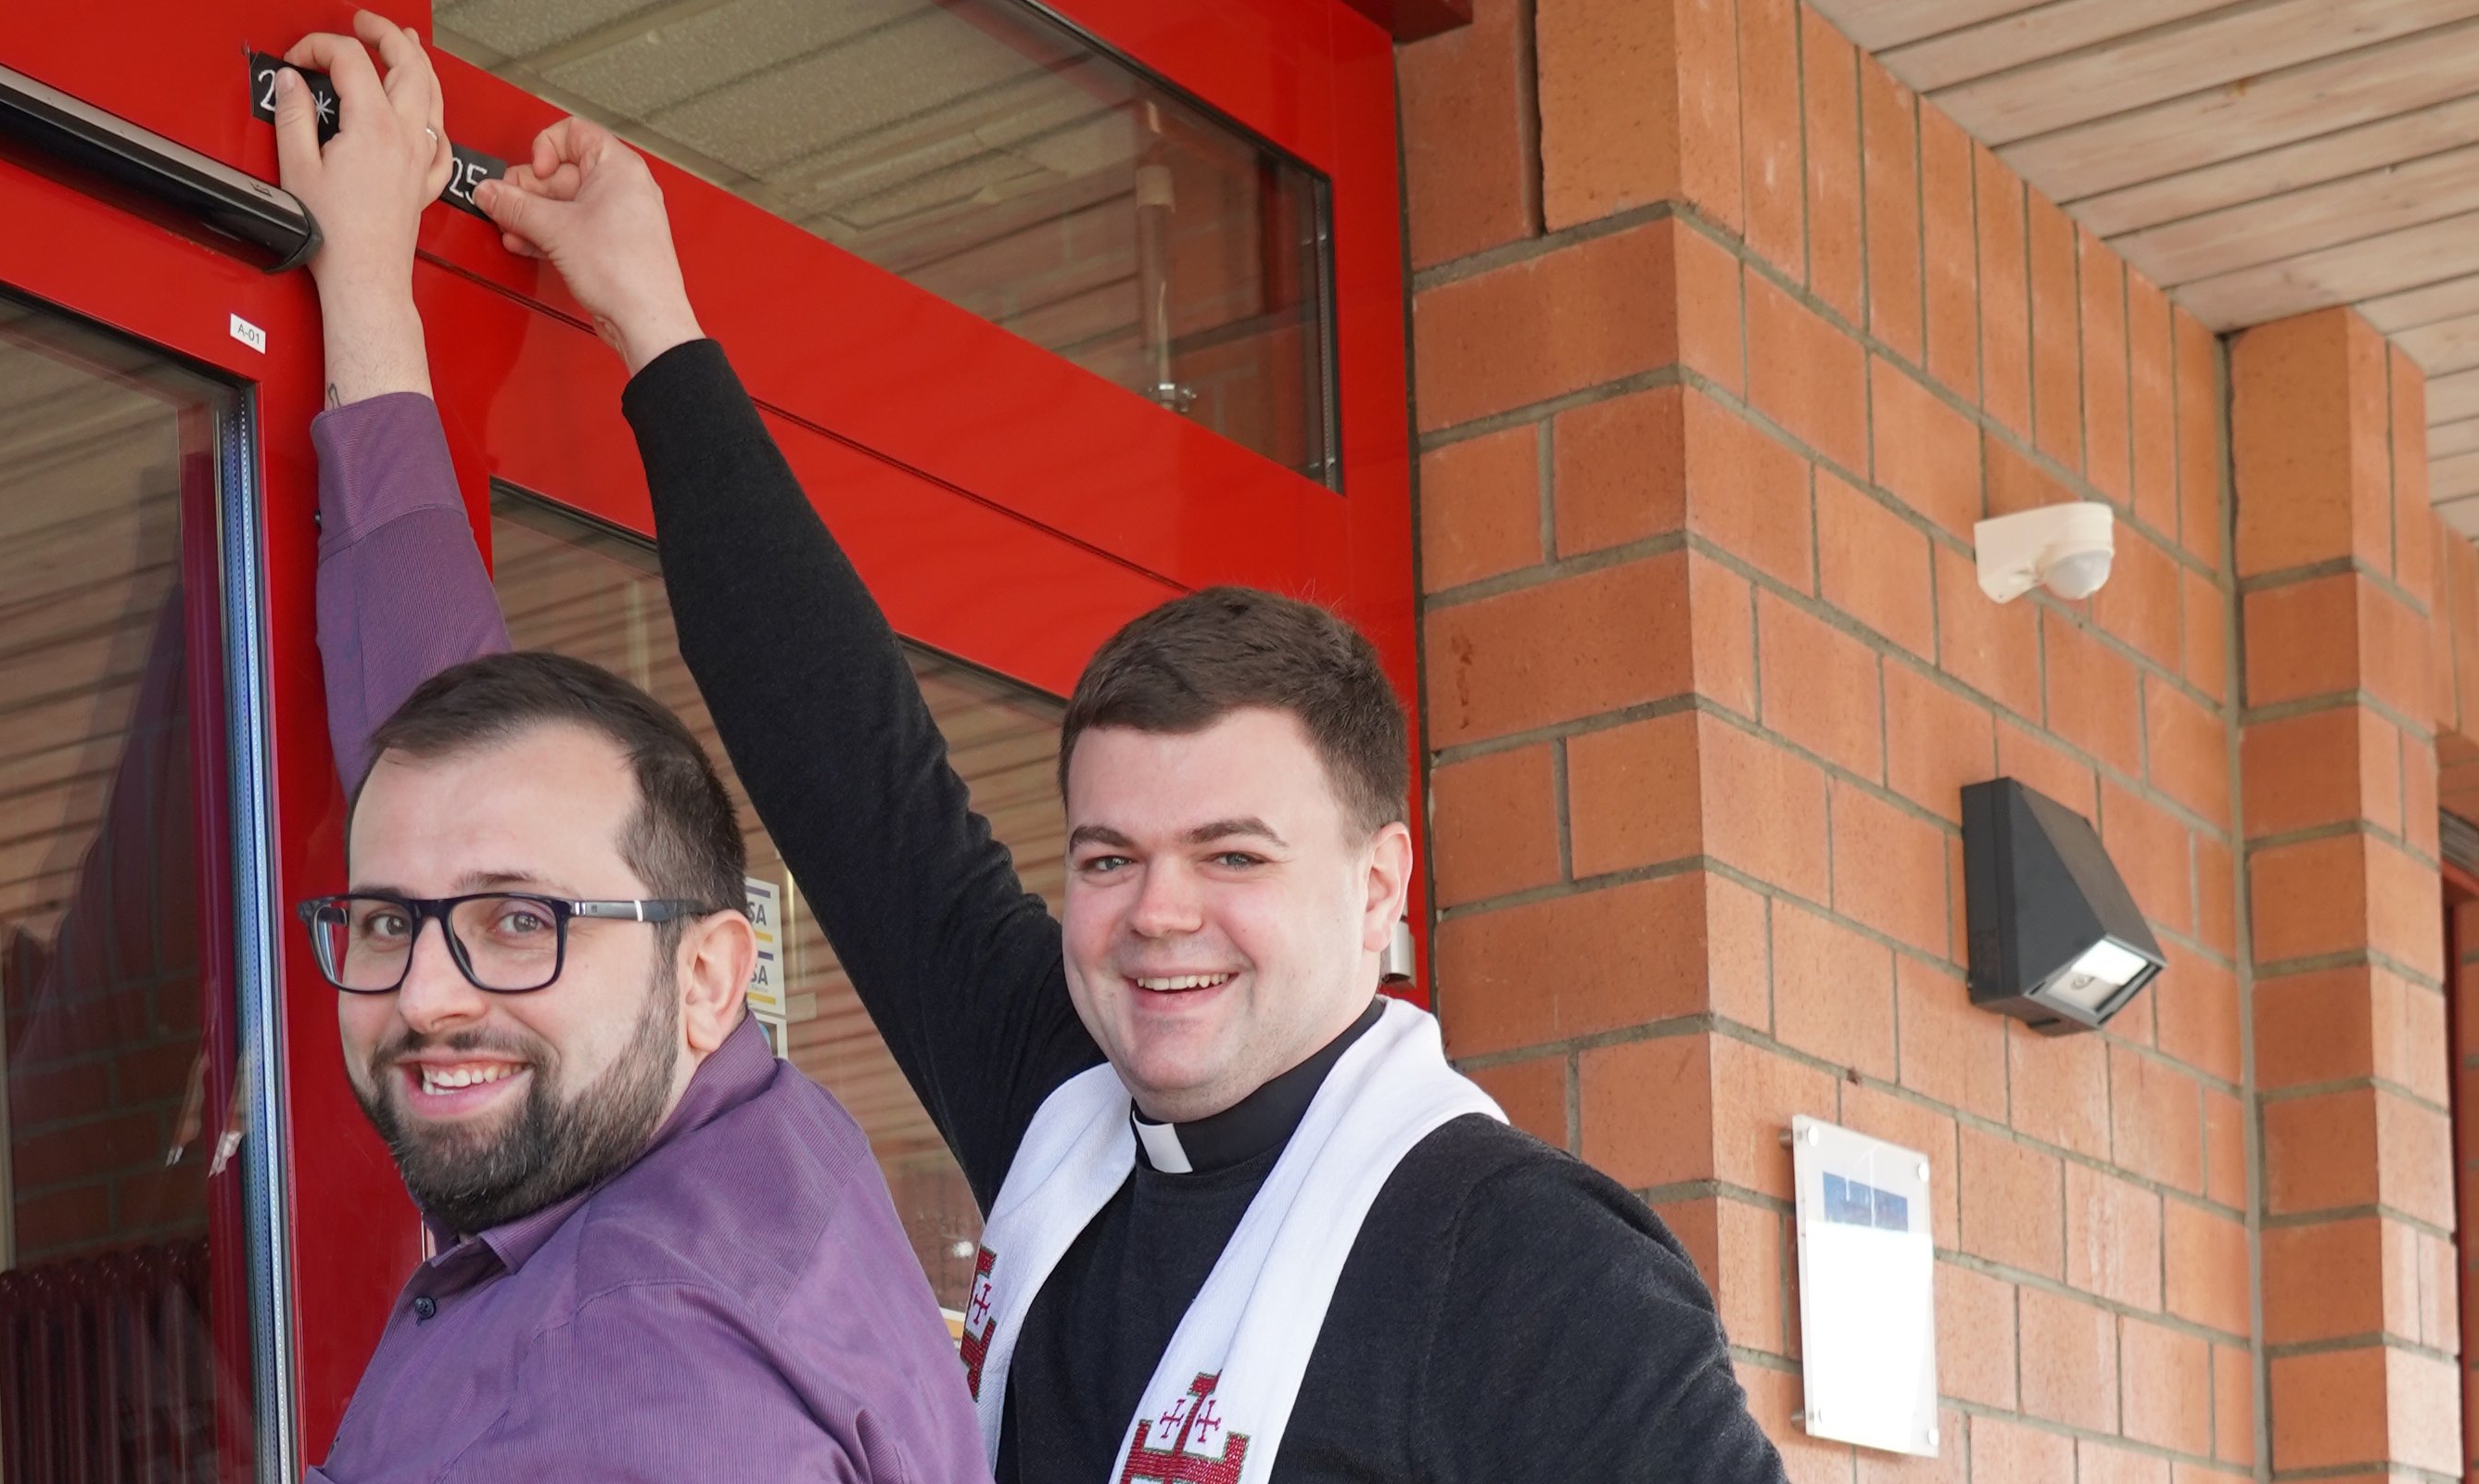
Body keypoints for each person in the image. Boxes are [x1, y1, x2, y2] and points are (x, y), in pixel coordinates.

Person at [447, 117, 1793, 1482]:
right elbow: (842, 757)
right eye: (1109, 858)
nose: (1159, 913)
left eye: (1232, 855)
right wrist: (649, 315)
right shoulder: (1063, 1099)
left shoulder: (1524, 1257)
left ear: (1379, 883)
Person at [267, 19, 985, 1482]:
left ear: (710, 974)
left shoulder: (621, 1375)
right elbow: (462, 758)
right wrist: (375, 298)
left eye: (518, 922)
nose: (429, 991)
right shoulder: (729, 1144)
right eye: (389, 921)